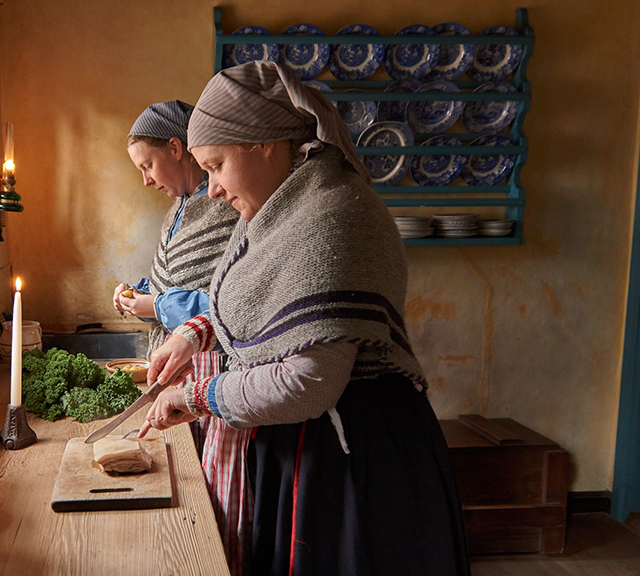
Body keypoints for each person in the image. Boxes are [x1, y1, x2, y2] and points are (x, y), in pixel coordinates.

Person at [138, 62, 471, 576]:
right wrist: (193, 333)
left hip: (352, 460)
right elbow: (256, 307)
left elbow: (309, 382)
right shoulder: (281, 212)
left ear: (265, 144)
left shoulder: (334, 216)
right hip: (302, 446)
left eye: (217, 166)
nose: (212, 190)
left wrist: (198, 397)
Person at [112, 100, 251, 576]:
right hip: (182, 368)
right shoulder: (179, 210)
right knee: (191, 486)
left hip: (221, 371)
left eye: (147, 165)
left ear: (176, 148)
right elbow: (174, 280)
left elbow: (228, 301)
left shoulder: (224, 208)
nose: (146, 180)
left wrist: (157, 307)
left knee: (217, 491)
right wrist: (137, 292)